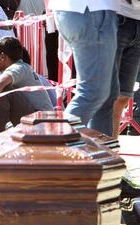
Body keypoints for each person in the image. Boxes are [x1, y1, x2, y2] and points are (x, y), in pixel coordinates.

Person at [48, 0, 119, 136]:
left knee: (104, 95)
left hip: (84, 11)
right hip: (90, 11)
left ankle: (97, 153)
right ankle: (55, 148)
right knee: (92, 94)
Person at [0, 37, 53, 138]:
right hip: (40, 122)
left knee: (3, 89)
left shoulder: (18, 67)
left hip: (40, 124)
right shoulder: (23, 68)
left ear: (3, 56)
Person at [110, 1, 140, 138]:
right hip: (115, 19)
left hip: (137, 22)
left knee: (123, 97)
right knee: (104, 98)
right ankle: (96, 153)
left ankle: (111, 152)